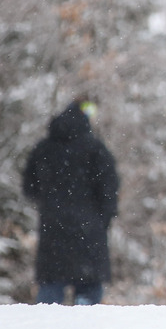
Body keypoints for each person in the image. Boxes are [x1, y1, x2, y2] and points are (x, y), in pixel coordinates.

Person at [22, 98, 119, 305]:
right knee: (89, 293)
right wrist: (102, 220)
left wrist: (51, 204)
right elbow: (109, 191)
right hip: (89, 231)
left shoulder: (43, 148)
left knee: (50, 293)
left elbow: (29, 187)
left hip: (52, 231)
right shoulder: (96, 149)